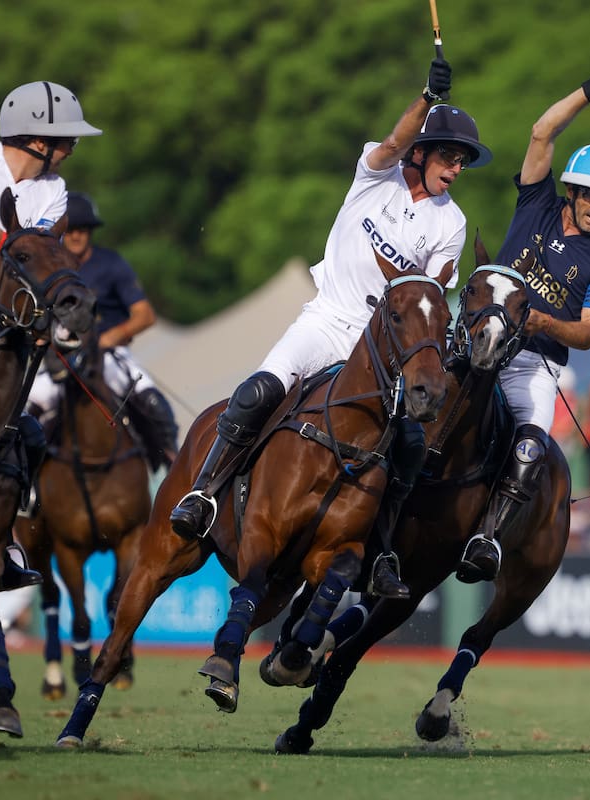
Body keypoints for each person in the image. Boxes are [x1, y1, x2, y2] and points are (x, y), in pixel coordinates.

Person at [167, 57, 489, 599]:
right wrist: (426, 100)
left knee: (409, 443)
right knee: (258, 391)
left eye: (462, 162)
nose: (456, 169)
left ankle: (382, 548)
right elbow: (391, 141)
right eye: (450, 156)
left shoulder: (450, 222)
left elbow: (432, 294)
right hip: (325, 320)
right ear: (422, 151)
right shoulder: (377, 174)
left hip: (381, 350)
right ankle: (202, 494)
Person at [456, 70, 590, 583]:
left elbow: (587, 333)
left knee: (532, 442)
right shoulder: (536, 202)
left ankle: (487, 538)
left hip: (533, 360)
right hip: (477, 335)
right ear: (573, 190)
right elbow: (541, 134)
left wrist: (541, 321)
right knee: (417, 393)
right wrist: (589, 91)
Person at [0, 81, 102, 591]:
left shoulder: (51, 192)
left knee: (27, 436)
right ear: (37, 140)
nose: (71, 150)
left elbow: (31, 255)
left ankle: (0, 542)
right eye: (67, 141)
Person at [26, 191, 179, 473]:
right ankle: (23, 481)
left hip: (107, 356)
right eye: (70, 230)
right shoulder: (45, 269)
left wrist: (107, 339)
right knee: (29, 408)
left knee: (150, 398)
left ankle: (176, 467)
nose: (75, 236)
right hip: (58, 360)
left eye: (83, 229)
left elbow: (145, 315)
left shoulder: (111, 263)